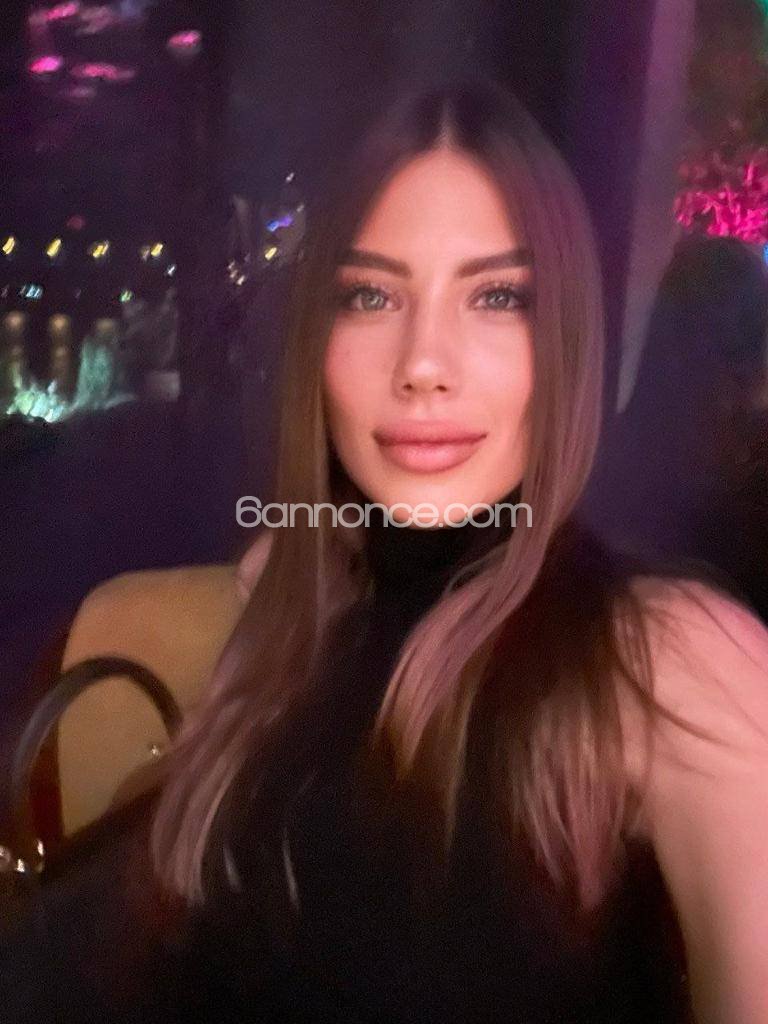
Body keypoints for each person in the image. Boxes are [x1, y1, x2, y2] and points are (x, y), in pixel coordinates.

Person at [4, 75, 768, 1024]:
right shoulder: (300, 618)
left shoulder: (675, 662)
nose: (422, 365)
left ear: (565, 344)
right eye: (370, 295)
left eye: (497, 297)